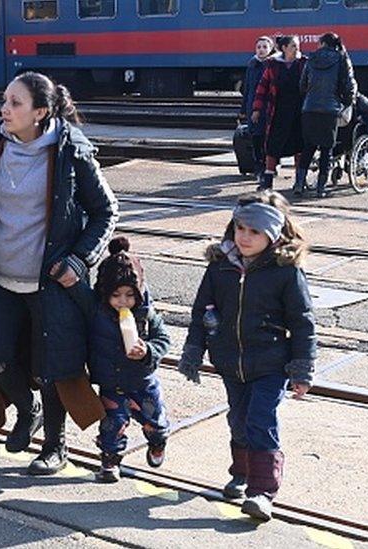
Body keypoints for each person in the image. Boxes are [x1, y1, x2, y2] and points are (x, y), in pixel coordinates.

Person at [0, 72, 118, 476]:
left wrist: (79, 261)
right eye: (4, 100)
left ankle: (54, 447)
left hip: (51, 282)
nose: (4, 109)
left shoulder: (71, 150)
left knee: (52, 367)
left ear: (40, 112)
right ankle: (29, 411)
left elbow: (106, 212)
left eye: (15, 103)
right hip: (0, 279)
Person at [178, 190, 316, 522]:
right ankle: (241, 473)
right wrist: (194, 350)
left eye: (254, 232)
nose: (244, 237)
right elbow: (202, 311)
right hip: (229, 361)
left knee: (260, 420)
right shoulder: (219, 267)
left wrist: (301, 369)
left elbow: (302, 322)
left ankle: (262, 491)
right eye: (240, 228)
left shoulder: (285, 272)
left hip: (270, 363)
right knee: (238, 421)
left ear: (272, 234)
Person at [89, 236, 171, 483]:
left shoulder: (146, 315)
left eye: (129, 295)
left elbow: (163, 340)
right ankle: (110, 460)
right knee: (111, 425)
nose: (123, 302)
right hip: (111, 383)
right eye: (116, 295)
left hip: (142, 383)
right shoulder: (97, 314)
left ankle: (158, 442)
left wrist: (147, 351)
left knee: (154, 422)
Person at [298, 32, 356, 198]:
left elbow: (302, 84)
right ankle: (320, 188)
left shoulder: (312, 58)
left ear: (322, 43)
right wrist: (346, 103)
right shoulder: (342, 58)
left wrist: (309, 98)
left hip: (309, 109)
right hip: (330, 111)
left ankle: (299, 184)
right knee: (326, 149)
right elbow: (349, 85)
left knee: (308, 147)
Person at [252, 35, 307, 192]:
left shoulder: (303, 64)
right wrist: (256, 109)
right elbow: (262, 88)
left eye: (297, 46)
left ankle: (299, 181)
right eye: (294, 46)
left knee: (299, 145)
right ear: (284, 48)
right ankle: (267, 181)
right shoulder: (273, 66)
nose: (297, 49)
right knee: (272, 146)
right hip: (278, 112)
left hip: (298, 112)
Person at [240, 36, 274, 185]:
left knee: (269, 139)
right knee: (256, 138)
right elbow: (247, 89)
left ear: (270, 49)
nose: (261, 50)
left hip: (269, 108)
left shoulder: (273, 65)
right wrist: (243, 109)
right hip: (252, 108)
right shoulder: (252, 65)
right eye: (259, 47)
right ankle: (259, 167)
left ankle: (270, 166)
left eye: (264, 47)